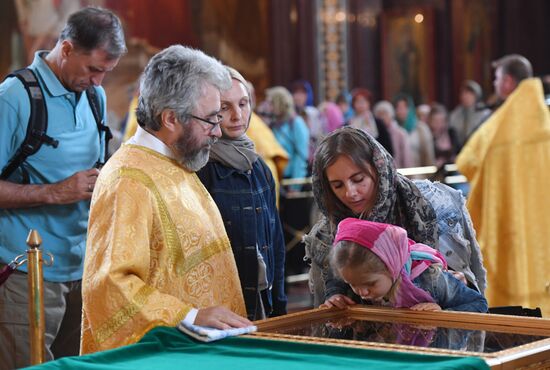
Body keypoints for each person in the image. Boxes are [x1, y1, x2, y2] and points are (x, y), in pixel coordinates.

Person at [81, 45, 251, 354]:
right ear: (171, 118)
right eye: (211, 119)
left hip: (203, 349)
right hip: (171, 350)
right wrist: (190, 316)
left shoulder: (176, 161)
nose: (217, 131)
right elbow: (109, 284)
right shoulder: (128, 180)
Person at [0, 7, 126, 367]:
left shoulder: (93, 96)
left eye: (107, 71)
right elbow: (62, 187)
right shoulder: (14, 97)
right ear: (67, 49)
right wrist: (53, 192)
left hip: (82, 270)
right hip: (25, 273)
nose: (100, 82)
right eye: (94, 69)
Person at [304, 127, 486, 308]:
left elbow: (466, 292)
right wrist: (336, 296)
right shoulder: (327, 233)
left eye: (358, 179)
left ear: (378, 169)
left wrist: (457, 283)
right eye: (337, 186)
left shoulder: (428, 205)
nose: (350, 192)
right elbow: (334, 286)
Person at [456, 55, 550, 317]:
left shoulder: (498, 129)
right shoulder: (546, 121)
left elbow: (466, 162)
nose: (495, 84)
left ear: (508, 82)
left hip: (510, 226)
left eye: (497, 79)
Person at [197, 67, 287, 320]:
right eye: (225, 107)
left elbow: (275, 242)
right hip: (221, 303)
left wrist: (279, 304)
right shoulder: (200, 168)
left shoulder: (259, 167)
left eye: (243, 103)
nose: (237, 115)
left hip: (261, 297)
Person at [323, 218, 487, 312]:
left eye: (370, 284)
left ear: (391, 267)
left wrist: (440, 312)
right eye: (351, 284)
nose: (362, 293)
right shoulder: (363, 283)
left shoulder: (430, 280)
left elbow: (479, 304)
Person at [394, 94, 435, 168]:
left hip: (419, 174)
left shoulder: (421, 128)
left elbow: (428, 154)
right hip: (401, 174)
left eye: (404, 107)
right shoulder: (394, 129)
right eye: (398, 108)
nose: (400, 111)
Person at [348, 88, 393, 155]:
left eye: (363, 101)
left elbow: (388, 146)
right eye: (358, 101)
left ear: (368, 103)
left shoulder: (378, 123)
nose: (361, 104)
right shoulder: (349, 124)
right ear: (353, 104)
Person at [448, 80, 491, 151]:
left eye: (469, 93)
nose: (465, 96)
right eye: (463, 93)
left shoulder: (484, 114)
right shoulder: (455, 114)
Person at [373, 100, 413, 169]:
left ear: (391, 115)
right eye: (379, 114)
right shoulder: (374, 133)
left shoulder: (400, 133)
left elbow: (407, 158)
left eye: (385, 113)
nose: (382, 117)